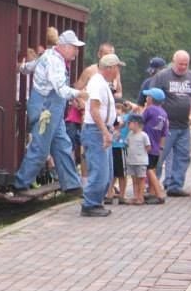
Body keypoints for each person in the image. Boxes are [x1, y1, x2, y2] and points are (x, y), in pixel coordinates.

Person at [11, 30, 88, 194]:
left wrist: (20, 67)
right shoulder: (56, 63)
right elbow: (60, 89)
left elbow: (29, 67)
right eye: (75, 47)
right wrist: (79, 94)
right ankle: (20, 183)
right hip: (46, 110)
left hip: (52, 109)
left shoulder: (48, 54)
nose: (77, 51)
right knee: (40, 148)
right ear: (65, 47)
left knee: (62, 145)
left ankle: (72, 184)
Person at [81, 53, 124, 216]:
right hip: (95, 131)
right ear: (110, 68)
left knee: (107, 172)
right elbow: (94, 109)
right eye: (117, 67)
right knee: (100, 170)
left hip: (100, 130)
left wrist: (112, 124)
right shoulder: (98, 84)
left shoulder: (103, 83)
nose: (118, 71)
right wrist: (105, 132)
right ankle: (90, 204)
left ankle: (95, 202)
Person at [151, 50, 191, 197]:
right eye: (180, 64)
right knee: (159, 156)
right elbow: (152, 98)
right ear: (173, 61)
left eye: (186, 64)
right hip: (166, 126)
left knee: (183, 157)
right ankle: (154, 186)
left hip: (184, 125)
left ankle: (175, 186)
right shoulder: (162, 76)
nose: (183, 67)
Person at [142, 88, 169, 204]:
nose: (146, 98)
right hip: (156, 147)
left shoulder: (149, 110)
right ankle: (152, 193)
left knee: (148, 170)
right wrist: (161, 148)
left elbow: (139, 122)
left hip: (147, 146)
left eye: (147, 96)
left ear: (151, 99)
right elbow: (164, 133)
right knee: (152, 168)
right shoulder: (164, 113)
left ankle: (159, 194)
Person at [124, 114, 157, 205]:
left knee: (141, 179)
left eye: (129, 123)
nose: (128, 125)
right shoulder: (130, 134)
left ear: (136, 123)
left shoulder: (144, 135)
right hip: (131, 161)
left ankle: (140, 197)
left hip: (140, 161)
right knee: (134, 180)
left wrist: (141, 154)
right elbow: (126, 143)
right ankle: (135, 196)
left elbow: (148, 147)